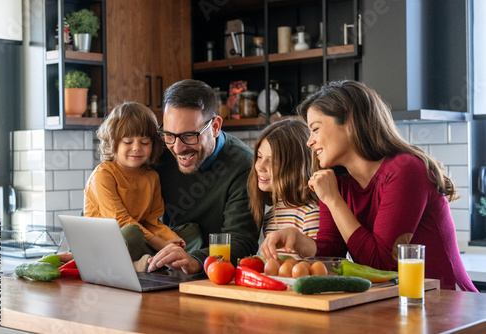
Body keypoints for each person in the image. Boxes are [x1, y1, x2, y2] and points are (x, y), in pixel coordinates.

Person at [259, 80, 478, 292]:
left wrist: (333, 200)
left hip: (445, 300)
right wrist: (297, 239)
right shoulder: (337, 180)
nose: (309, 141)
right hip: (396, 300)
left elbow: (379, 264)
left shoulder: (405, 170)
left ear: (350, 124)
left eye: (315, 129)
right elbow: (333, 253)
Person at [147, 79, 259, 274]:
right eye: (169, 135)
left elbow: (242, 242)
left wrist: (196, 260)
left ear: (215, 126)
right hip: (155, 269)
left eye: (189, 136)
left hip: (211, 277)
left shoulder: (243, 165)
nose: (177, 148)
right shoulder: (156, 151)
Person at [84, 102, 185, 264]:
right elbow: (120, 221)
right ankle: (148, 261)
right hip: (103, 243)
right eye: (128, 142)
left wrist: (173, 241)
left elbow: (152, 221)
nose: (137, 148)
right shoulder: (103, 175)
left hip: (139, 238)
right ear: (113, 143)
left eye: (144, 143)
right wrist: (161, 244)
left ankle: (150, 261)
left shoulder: (152, 177)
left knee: (191, 232)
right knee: (131, 232)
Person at [247, 119, 319, 260]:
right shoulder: (271, 215)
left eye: (272, 161)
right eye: (259, 156)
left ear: (295, 167)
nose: (260, 167)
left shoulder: (310, 214)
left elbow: (320, 266)